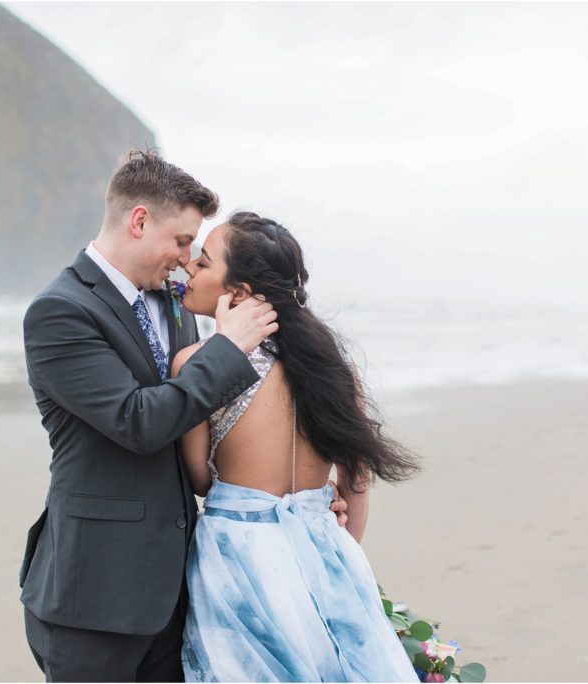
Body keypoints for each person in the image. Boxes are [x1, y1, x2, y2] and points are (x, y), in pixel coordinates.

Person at [19, 152, 350, 682]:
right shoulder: (61, 311)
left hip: (182, 586)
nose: (184, 258)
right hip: (95, 595)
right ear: (140, 220)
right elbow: (137, 421)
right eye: (180, 242)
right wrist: (229, 348)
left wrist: (296, 497)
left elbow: (202, 426)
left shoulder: (173, 303)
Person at [173, 211, 423, 682]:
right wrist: (335, 554)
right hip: (324, 548)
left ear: (239, 293)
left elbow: (202, 479)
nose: (188, 268)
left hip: (237, 555)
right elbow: (357, 484)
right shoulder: (332, 367)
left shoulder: (196, 364)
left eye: (203, 263)